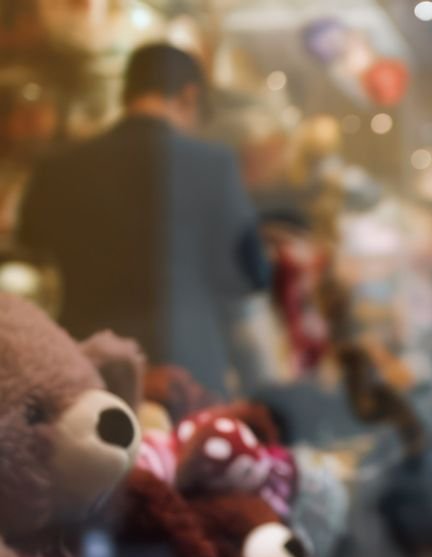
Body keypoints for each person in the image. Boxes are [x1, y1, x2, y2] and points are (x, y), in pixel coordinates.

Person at [17, 42, 268, 395]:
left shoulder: (58, 167)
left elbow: (28, 247)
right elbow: (249, 276)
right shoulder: (214, 165)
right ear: (189, 96)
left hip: (85, 367)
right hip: (187, 370)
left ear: (126, 93)